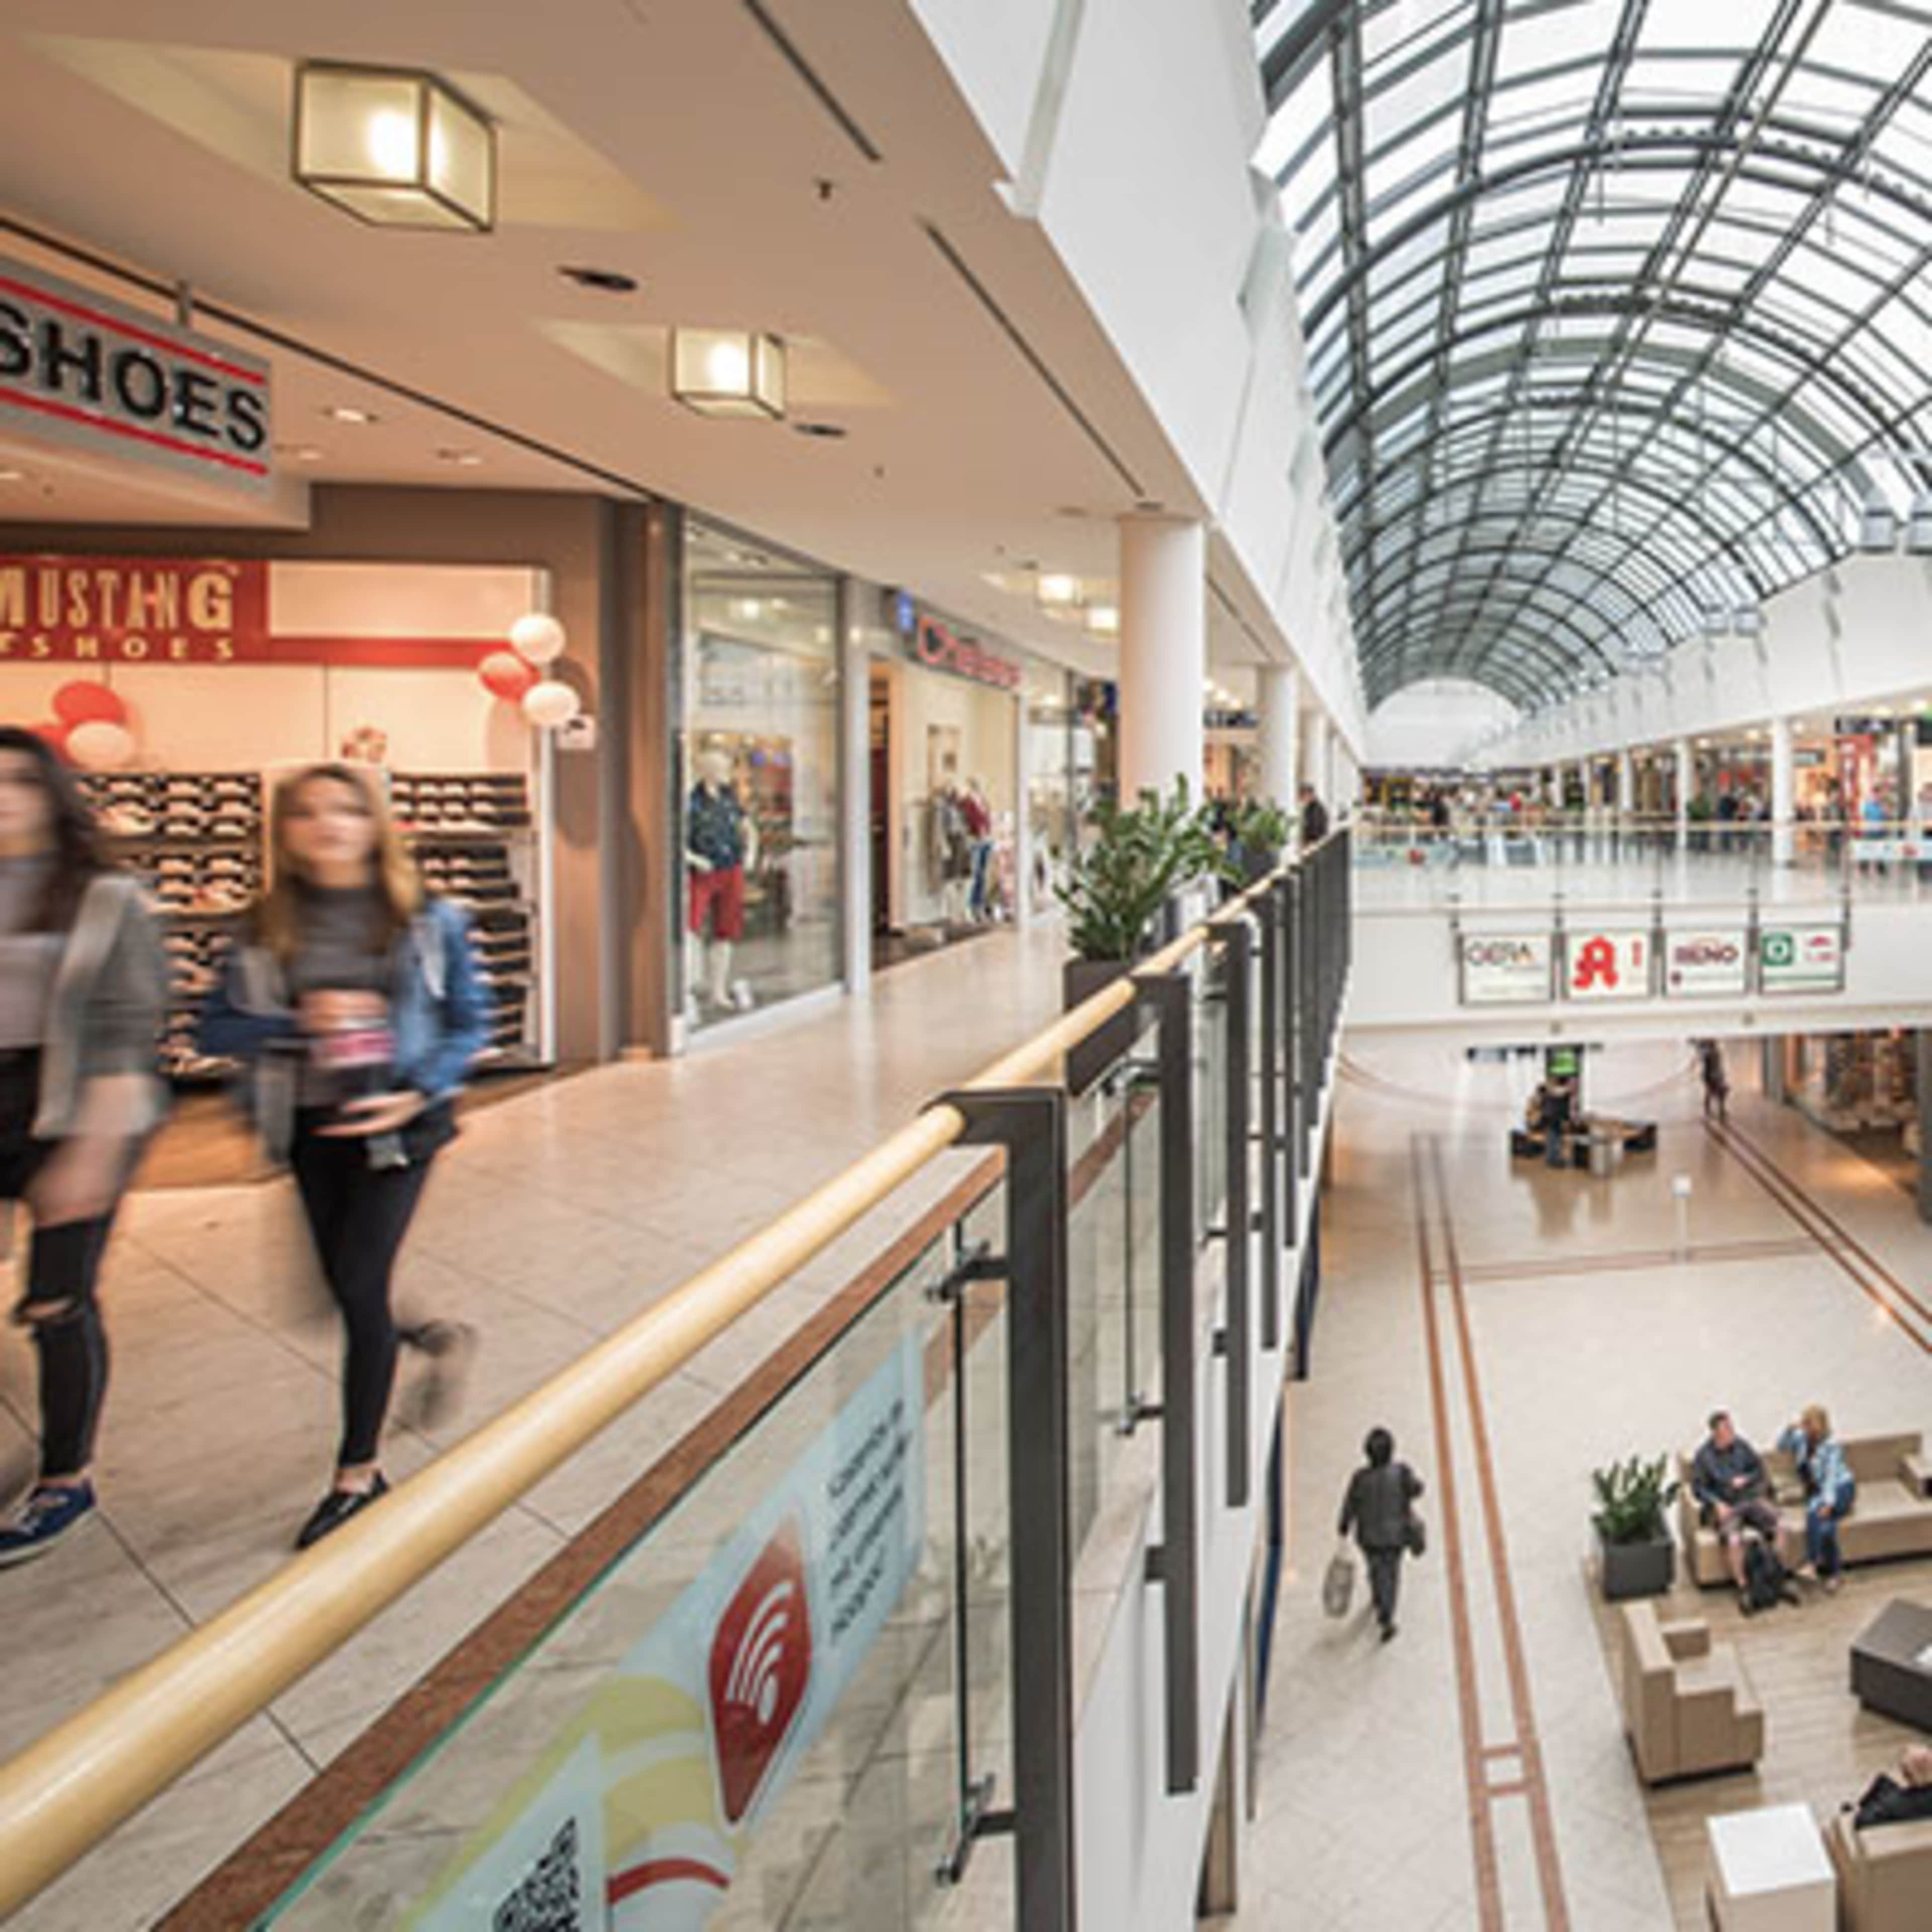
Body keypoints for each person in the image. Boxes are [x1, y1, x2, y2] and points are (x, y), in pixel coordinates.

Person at [200, 763, 488, 1549]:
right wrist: (298, 1021)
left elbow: (469, 1023)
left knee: (361, 1287)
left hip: (399, 1128)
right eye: (307, 812)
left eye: (345, 809)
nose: (327, 824)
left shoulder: (426, 919)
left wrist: (418, 1092)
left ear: (374, 824)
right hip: (308, 1126)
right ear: (284, 830)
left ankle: (357, 1474)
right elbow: (213, 1028)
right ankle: (431, 1337)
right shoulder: (264, 925)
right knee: (332, 1293)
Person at [0, 728, 167, 1565]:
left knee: (57, 1300)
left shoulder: (105, 895)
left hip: (75, 1101)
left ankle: (66, 1477)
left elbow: (129, 1024)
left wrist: (94, 1148)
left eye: (18, 782)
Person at [1337, 1426, 1424, 1642]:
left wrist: (1344, 1525)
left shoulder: (1360, 1478)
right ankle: (1386, 1615)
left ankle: (1378, 1594)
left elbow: (1350, 1504)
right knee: (1391, 1574)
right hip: (1395, 1536)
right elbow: (1416, 1490)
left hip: (1368, 1537)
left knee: (1376, 1567)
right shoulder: (1401, 1472)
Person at [1690, 1409, 1787, 1600]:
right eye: (1726, 1430)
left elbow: (1759, 1470)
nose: (1731, 1433)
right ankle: (1743, 1587)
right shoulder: (1704, 1456)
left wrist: (1747, 1479)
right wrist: (1716, 1503)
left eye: (1731, 1428)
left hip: (1749, 1499)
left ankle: (1775, 1577)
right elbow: (1698, 1488)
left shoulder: (1742, 1447)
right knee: (1734, 1540)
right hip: (1727, 1506)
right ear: (1716, 1433)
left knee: (1781, 1526)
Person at [1778, 1403, 1855, 1591]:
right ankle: (1835, 1575)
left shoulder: (1831, 1447)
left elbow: (1830, 1477)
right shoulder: (1801, 1439)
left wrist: (1828, 1504)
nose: (1806, 1428)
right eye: (1805, 1423)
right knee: (1827, 1527)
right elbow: (1781, 1446)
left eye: (1809, 1424)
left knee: (1815, 1512)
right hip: (1820, 1492)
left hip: (1842, 1488)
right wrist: (1789, 1430)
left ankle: (1812, 1563)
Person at [1848, 1744, 1932, 1830]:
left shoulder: (1896, 1803)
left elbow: (1861, 1822)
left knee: (1882, 1784)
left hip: (1886, 1822)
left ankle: (1856, 1807)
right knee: (1883, 1782)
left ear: (1907, 1774)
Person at [1697, 1039, 1730, 1122]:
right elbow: (1712, 1066)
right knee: (1714, 1093)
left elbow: (1717, 1065)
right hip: (1713, 1076)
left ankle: (1717, 1110)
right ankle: (1713, 1111)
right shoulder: (1711, 1054)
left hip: (1715, 1076)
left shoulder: (1713, 1053)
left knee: (1716, 1093)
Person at [1299, 782, 1330, 849]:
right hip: (1315, 843)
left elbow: (1315, 829)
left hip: (1316, 844)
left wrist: (1307, 843)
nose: (1301, 799)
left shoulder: (1316, 809)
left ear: (1310, 794)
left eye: (1303, 796)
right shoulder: (1310, 808)